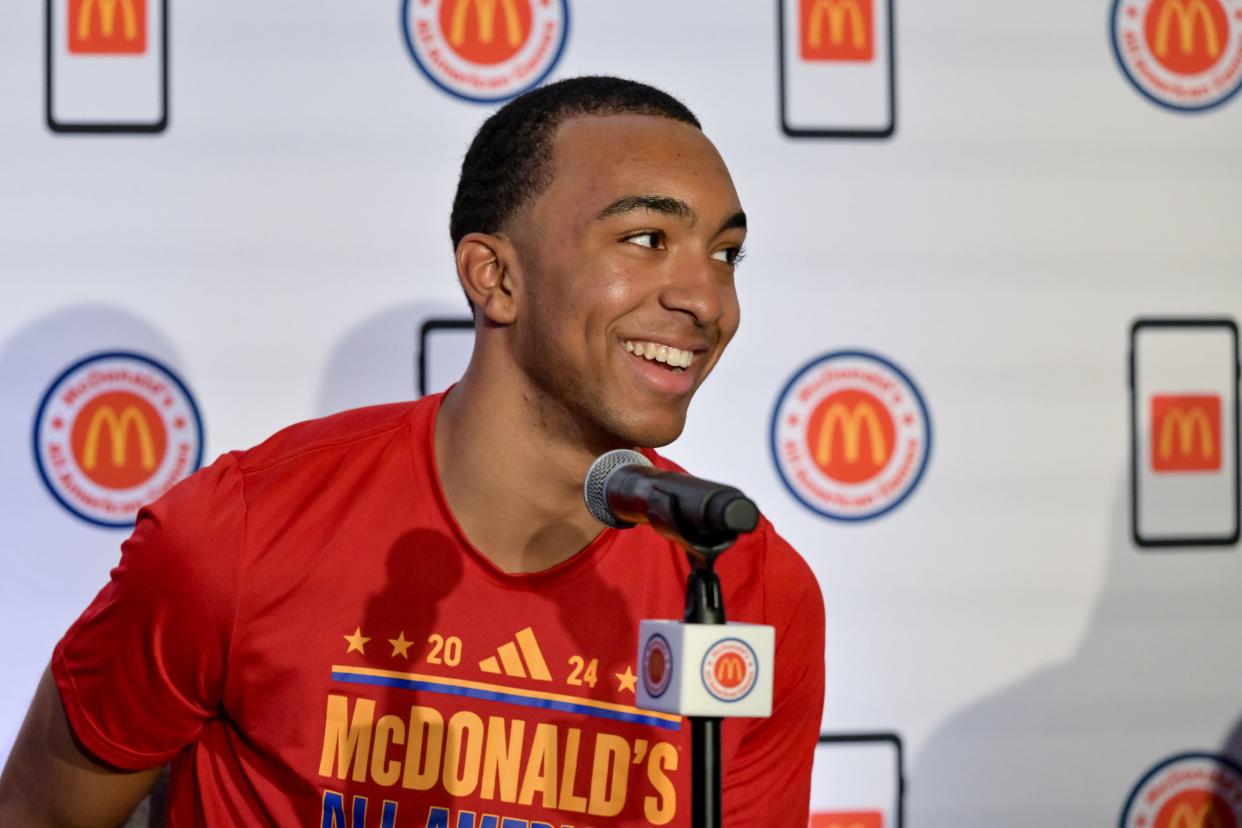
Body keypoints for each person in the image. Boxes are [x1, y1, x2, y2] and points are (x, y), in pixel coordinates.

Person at [0, 76, 824, 827]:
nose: (704, 299)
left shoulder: (750, 588)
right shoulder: (239, 533)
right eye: (646, 239)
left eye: (725, 254)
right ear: (493, 277)